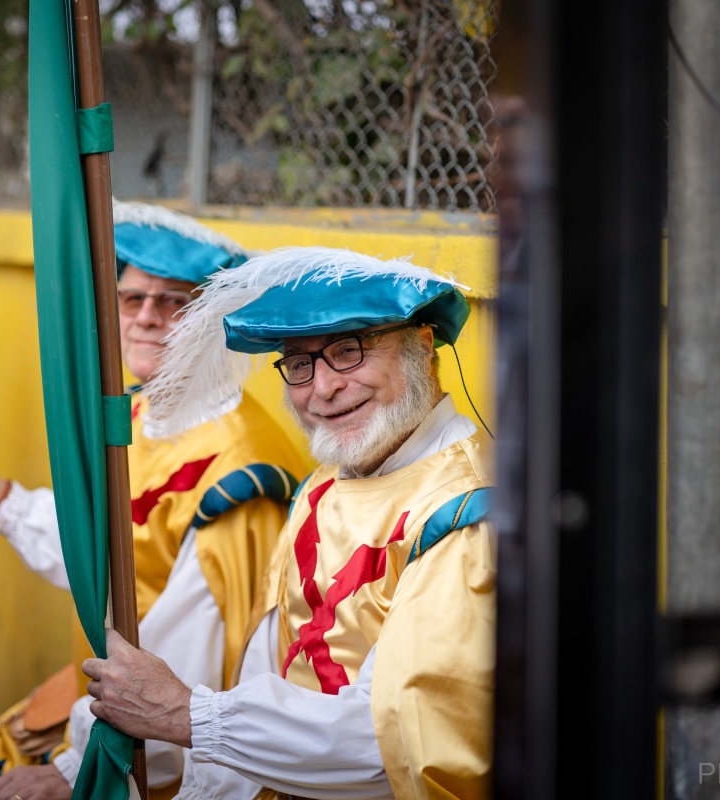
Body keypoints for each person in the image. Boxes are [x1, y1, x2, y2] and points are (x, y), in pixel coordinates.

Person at [0, 201, 308, 799]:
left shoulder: (240, 475)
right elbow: (99, 555)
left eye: (174, 302)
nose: (147, 318)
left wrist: (70, 770)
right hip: (103, 713)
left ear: (211, 321)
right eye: (133, 299)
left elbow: (194, 672)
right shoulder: (136, 414)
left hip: (154, 761)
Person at [82, 246, 495, 799]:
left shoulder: (468, 513)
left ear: (422, 348)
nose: (322, 389)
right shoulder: (322, 483)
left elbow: (395, 745)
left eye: (349, 351)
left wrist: (189, 715)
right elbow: (264, 670)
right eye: (299, 363)